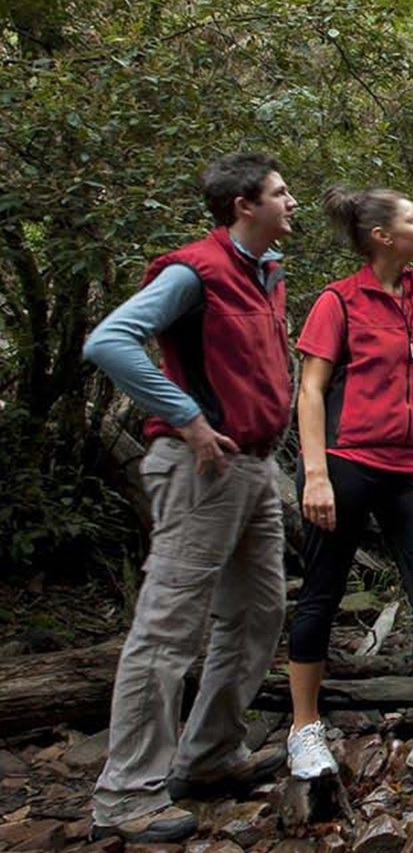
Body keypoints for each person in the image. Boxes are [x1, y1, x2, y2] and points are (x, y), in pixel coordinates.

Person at [84, 153, 297, 844]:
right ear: (243, 204)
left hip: (256, 470)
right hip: (202, 466)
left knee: (260, 612)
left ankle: (208, 756)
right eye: (280, 193)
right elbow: (109, 341)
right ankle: (125, 795)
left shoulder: (266, 277)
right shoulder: (192, 270)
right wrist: (187, 417)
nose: (290, 202)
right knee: (168, 628)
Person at [285, 187, 413, 782]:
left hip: (412, 469)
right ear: (382, 236)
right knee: (322, 591)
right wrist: (316, 473)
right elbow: (312, 389)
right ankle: (304, 729)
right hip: (346, 461)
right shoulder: (338, 302)